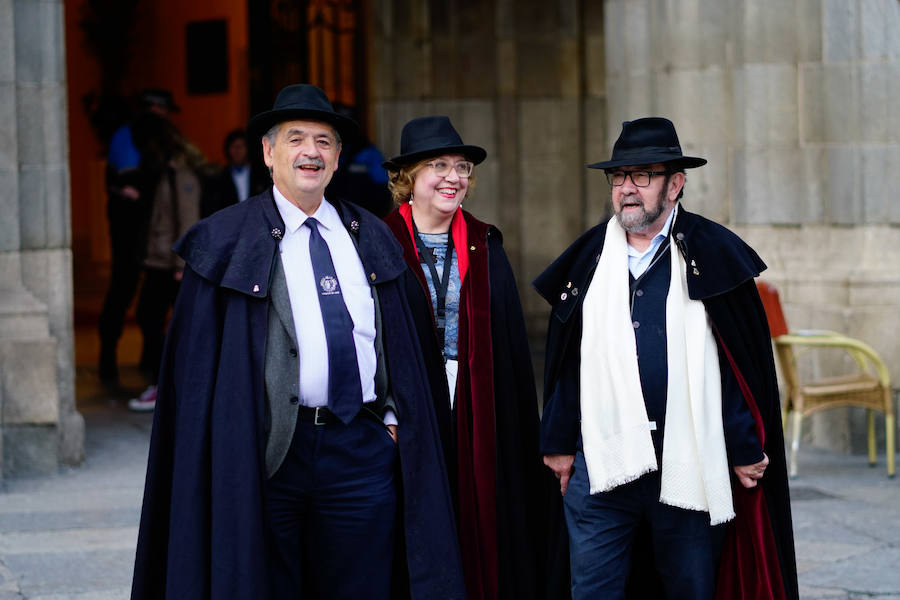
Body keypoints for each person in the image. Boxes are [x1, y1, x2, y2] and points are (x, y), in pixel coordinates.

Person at [131, 84, 466, 599]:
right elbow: (196, 375)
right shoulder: (224, 241)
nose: (311, 151)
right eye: (296, 139)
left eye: (325, 141)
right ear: (269, 152)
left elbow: (405, 344)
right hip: (267, 456)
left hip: (360, 449)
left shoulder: (372, 237)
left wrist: (393, 421)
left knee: (363, 586)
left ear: (337, 159)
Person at [534, 117, 798, 599]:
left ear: (675, 184)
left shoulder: (713, 251)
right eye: (619, 177)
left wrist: (743, 445)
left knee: (691, 588)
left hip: (687, 461)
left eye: (642, 176)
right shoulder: (590, 256)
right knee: (591, 588)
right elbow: (569, 360)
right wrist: (556, 439)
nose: (627, 189)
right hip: (602, 461)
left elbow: (733, 364)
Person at [383, 116, 567, 600]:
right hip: (406, 407)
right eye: (438, 165)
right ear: (408, 178)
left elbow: (507, 345)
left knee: (478, 512)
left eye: (461, 167)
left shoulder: (485, 243)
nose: (453, 177)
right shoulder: (376, 244)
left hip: (476, 403)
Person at [126, 128, 206, 412]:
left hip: (171, 264)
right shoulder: (163, 173)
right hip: (160, 261)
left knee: (165, 322)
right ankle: (166, 385)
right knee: (151, 319)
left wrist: (181, 264)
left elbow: (187, 219)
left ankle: (167, 386)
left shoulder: (180, 175)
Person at [201, 128, 269, 217]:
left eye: (241, 146)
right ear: (228, 149)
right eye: (234, 146)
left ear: (248, 149)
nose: (237, 150)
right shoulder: (218, 178)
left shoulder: (262, 176)